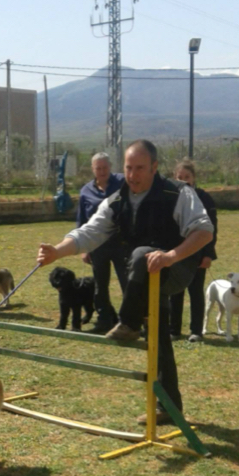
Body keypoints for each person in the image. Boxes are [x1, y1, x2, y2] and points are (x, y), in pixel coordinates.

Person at [36, 140, 214, 424]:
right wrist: (57, 251)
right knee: (158, 334)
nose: (133, 175)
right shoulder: (116, 200)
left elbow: (204, 231)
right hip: (145, 277)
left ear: (154, 168)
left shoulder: (178, 193)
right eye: (129, 168)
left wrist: (171, 256)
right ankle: (169, 406)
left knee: (142, 254)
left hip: (178, 268)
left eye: (140, 168)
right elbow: (89, 232)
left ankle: (129, 322)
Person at [169, 159, 218, 342]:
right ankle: (174, 330)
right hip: (177, 252)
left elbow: (212, 229)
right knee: (175, 292)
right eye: (179, 177)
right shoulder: (171, 197)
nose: (183, 181)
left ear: (194, 178)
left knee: (196, 291)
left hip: (198, 253)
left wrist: (207, 254)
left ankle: (196, 331)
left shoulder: (205, 198)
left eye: (187, 177)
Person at [76, 153, 126, 333]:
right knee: (100, 286)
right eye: (98, 168)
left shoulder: (122, 182)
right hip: (97, 246)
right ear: (93, 169)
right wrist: (83, 248)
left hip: (121, 243)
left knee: (127, 283)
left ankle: (130, 321)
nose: (102, 171)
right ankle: (104, 320)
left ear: (110, 167)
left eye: (105, 167)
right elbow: (82, 221)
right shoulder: (85, 191)